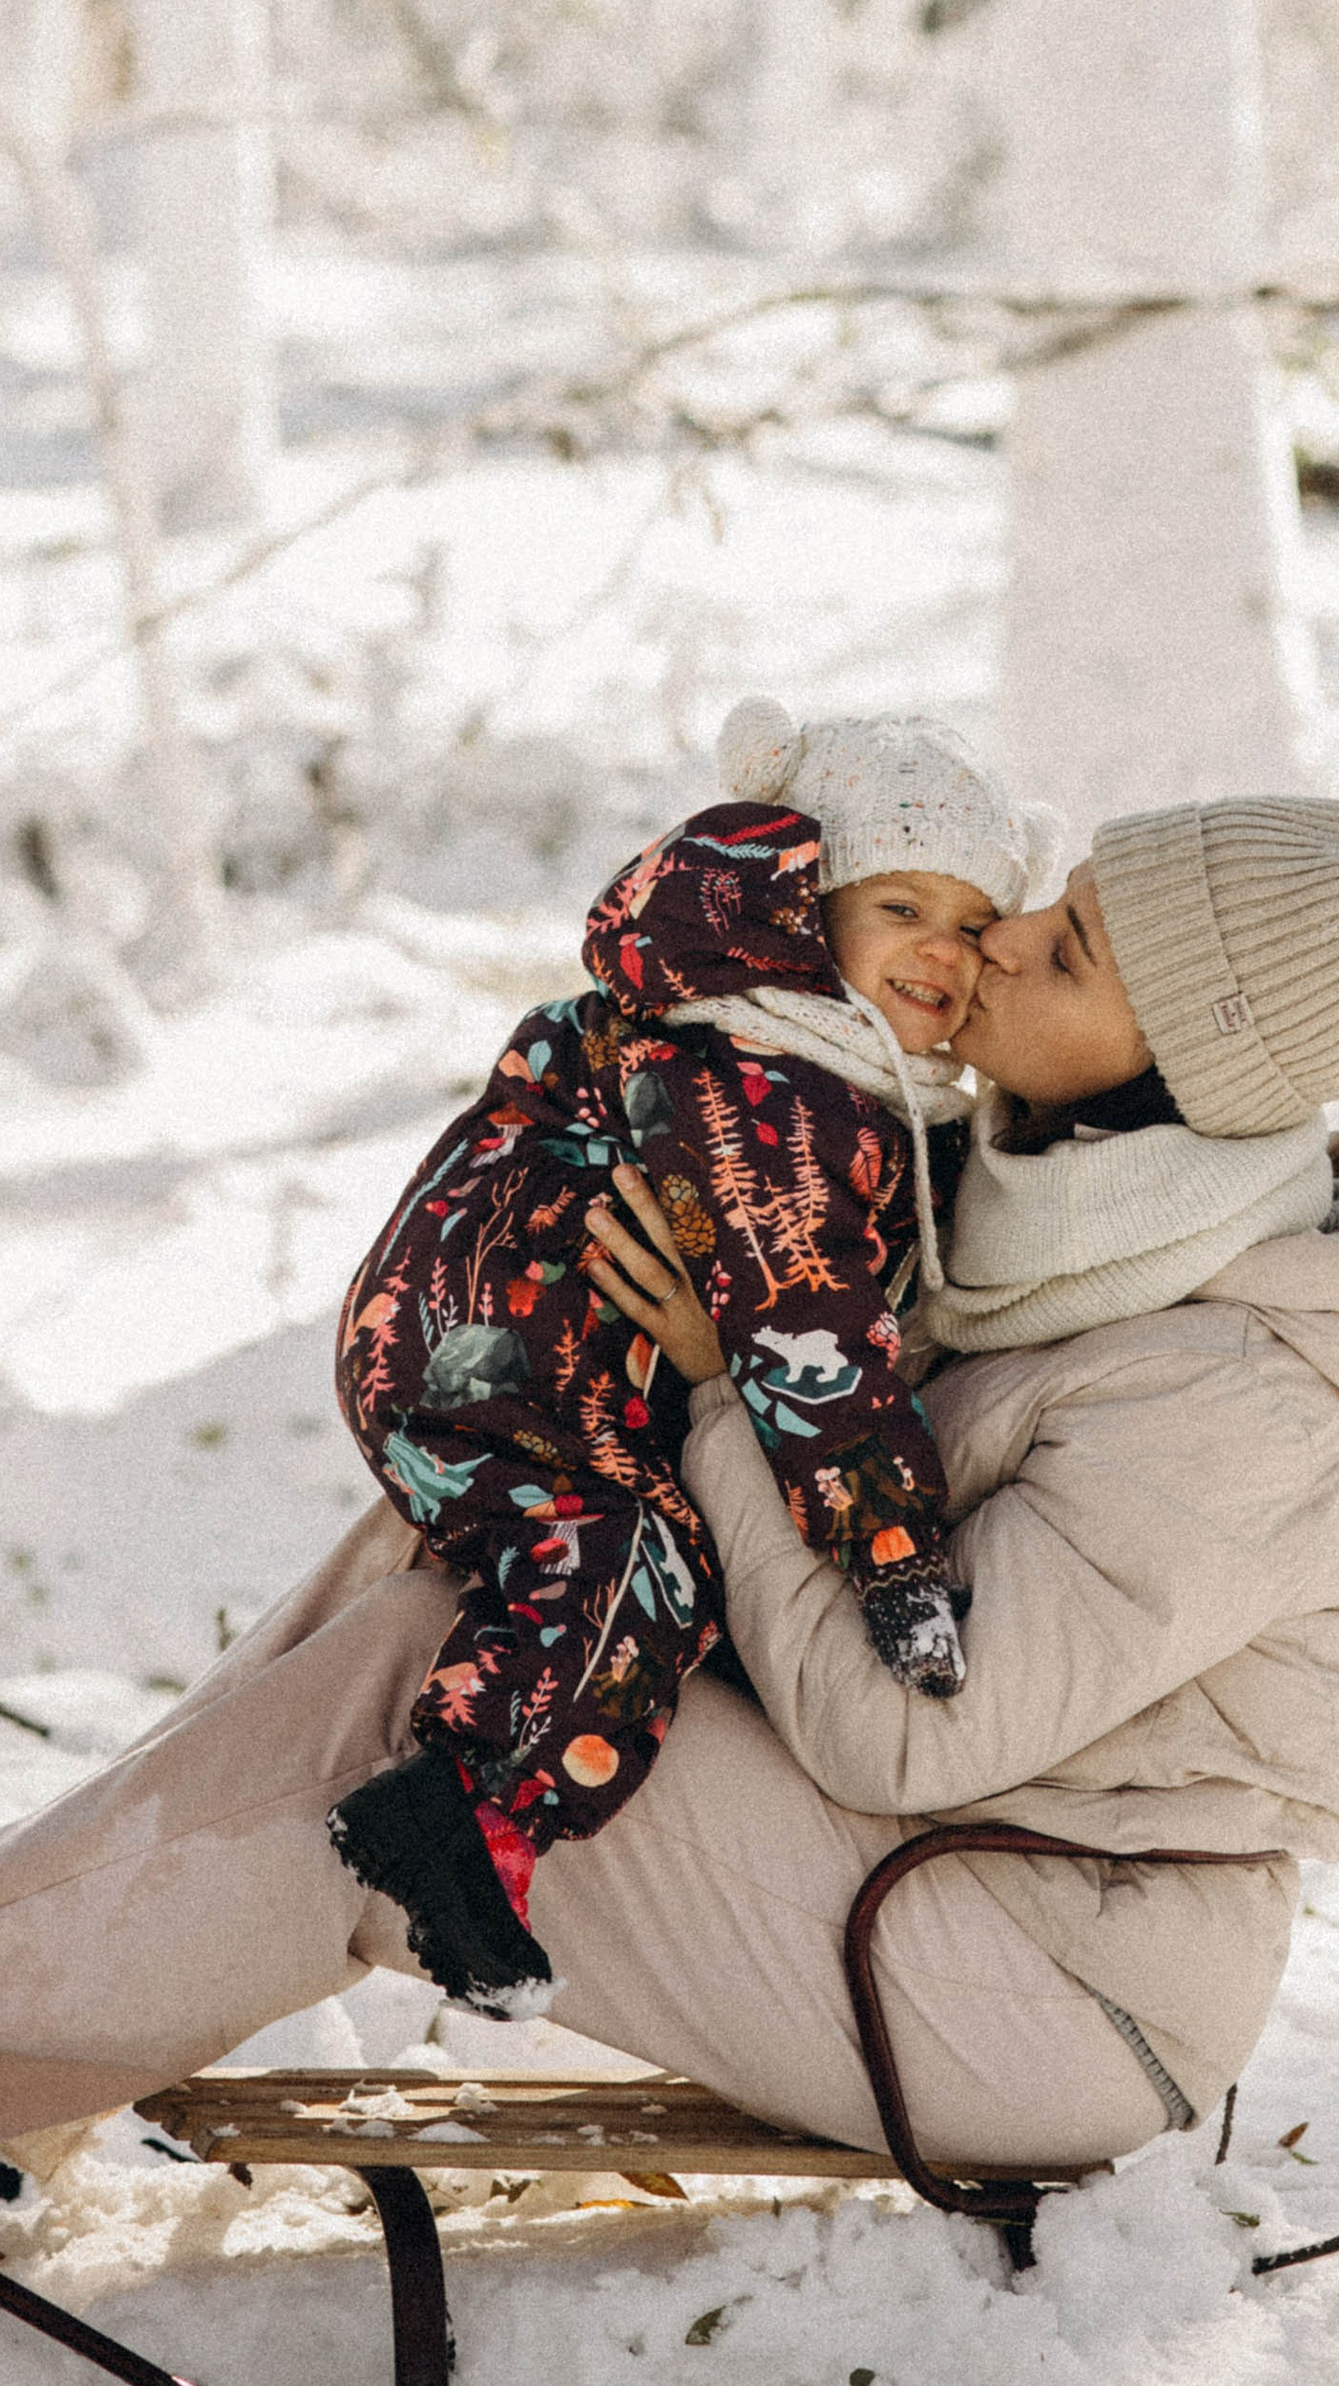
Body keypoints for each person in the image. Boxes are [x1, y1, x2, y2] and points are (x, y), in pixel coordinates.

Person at [0, 788, 1339, 2193]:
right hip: (931, 1872)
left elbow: (925, 1728)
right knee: (460, 1555)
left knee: (445, 1699)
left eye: (1062, 951)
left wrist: (742, 1406)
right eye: (1043, 907)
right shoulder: (1042, 1199)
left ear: (1196, 1079)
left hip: (1048, 1982)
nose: (992, 943)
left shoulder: (1244, 1392)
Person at [324, 696, 1061, 2019]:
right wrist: (895, 1558)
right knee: (626, 1574)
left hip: (498, 1352)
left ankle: (472, 1823)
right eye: (901, 909)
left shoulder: (782, 1053)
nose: (941, 954)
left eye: (967, 924)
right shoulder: (773, 1085)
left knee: (625, 1571)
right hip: (498, 1361)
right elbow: (806, 1337)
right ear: (808, 910)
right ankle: (452, 1824)